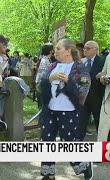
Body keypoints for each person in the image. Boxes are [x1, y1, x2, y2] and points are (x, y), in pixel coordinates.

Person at [38, 38, 92, 180]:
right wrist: (49, 79)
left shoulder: (79, 68)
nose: (55, 51)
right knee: (46, 140)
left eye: (58, 48)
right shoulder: (52, 66)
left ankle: (84, 165)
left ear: (68, 51)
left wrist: (69, 81)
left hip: (69, 111)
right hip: (50, 110)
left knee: (68, 141)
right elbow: (39, 86)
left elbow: (82, 92)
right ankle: (48, 174)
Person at [77, 41, 105, 140]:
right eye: (84, 48)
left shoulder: (103, 61)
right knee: (80, 124)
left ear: (96, 50)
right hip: (83, 99)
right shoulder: (81, 62)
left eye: (88, 48)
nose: (85, 50)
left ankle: (105, 147)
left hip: (97, 98)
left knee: (101, 125)